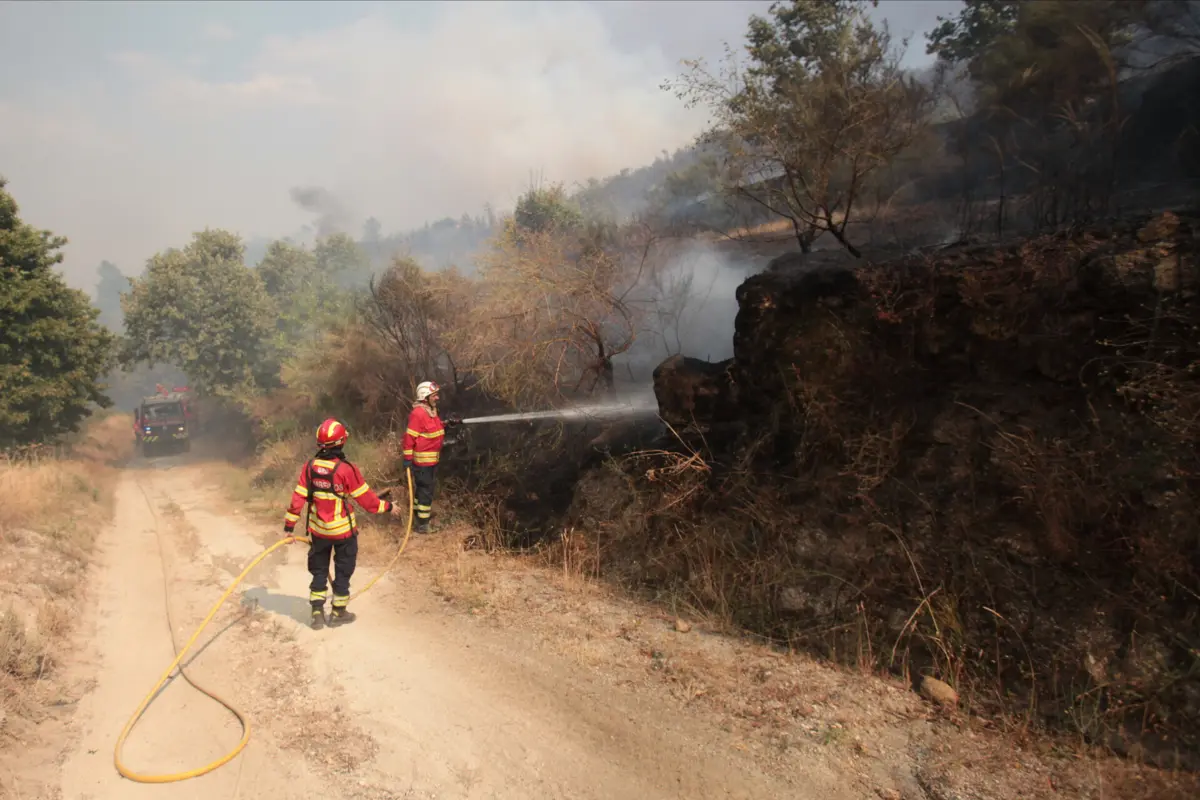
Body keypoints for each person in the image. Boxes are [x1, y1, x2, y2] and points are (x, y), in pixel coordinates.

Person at [283, 417, 400, 630]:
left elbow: (297, 499)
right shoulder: (347, 469)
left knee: (319, 570)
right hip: (344, 533)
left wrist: (289, 528)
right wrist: (389, 507)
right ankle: (338, 612)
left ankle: (317, 613)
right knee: (343, 570)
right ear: (341, 442)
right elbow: (368, 501)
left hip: (318, 532)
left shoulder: (309, 467)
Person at [402, 381, 446, 534]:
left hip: (432, 460)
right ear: (425, 397)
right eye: (434, 395)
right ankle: (423, 525)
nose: (437, 398)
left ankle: (418, 516)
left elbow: (433, 429)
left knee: (423, 490)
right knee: (426, 491)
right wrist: (407, 458)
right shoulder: (418, 413)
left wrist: (448, 424)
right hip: (423, 463)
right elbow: (409, 438)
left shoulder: (431, 410)